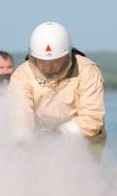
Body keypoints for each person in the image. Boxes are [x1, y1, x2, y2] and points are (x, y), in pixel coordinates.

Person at [8, 21, 106, 156]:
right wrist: (23, 139)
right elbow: (20, 112)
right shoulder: (22, 75)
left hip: (86, 143)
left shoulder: (88, 71)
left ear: (67, 56)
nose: (49, 67)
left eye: (55, 61)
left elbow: (93, 117)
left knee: (82, 169)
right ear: (33, 57)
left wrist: (59, 134)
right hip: (41, 142)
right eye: (43, 62)